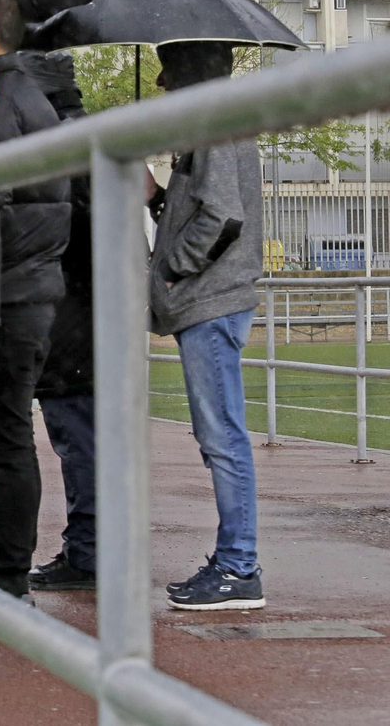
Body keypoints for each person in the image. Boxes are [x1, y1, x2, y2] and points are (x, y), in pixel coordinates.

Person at [149, 41, 267, 611]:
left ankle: (239, 567)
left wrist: (174, 268)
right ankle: (235, 562)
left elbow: (223, 215)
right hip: (209, 300)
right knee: (220, 434)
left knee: (221, 436)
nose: (163, 85)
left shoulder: (217, 120)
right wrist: (158, 198)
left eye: (169, 71)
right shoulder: (218, 120)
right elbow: (207, 207)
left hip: (211, 300)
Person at [0, 0, 71, 602]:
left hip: (9, 291)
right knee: (4, 440)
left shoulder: (0, 98)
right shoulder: (27, 97)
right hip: (25, 287)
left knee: (3, 442)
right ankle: (7, 574)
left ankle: (9, 578)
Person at [23, 50, 98, 592]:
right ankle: (89, 546)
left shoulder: (58, 149)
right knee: (81, 437)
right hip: (83, 312)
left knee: (78, 438)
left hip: (71, 315)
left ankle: (91, 550)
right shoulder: (87, 141)